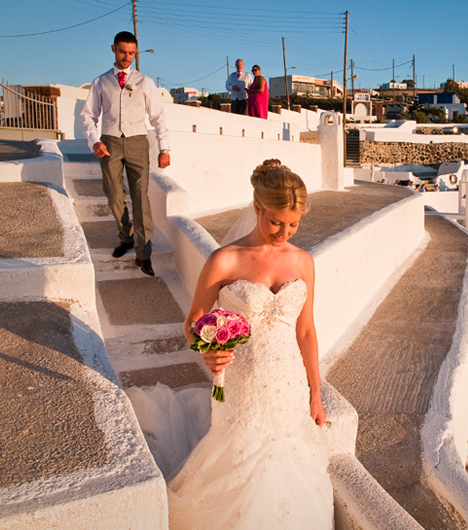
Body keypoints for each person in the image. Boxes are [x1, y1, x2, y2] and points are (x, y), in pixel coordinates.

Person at [126, 160, 333, 529]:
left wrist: (315, 394)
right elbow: (193, 322)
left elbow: (306, 331)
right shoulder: (225, 260)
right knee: (240, 457)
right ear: (257, 208)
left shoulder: (303, 262)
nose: (283, 232)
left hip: (288, 383)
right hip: (240, 383)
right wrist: (208, 350)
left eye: (293, 224)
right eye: (275, 222)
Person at [80, 31, 170, 277]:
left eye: (131, 53)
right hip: (109, 142)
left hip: (137, 142)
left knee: (140, 196)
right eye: (122, 52)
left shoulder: (145, 82)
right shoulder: (100, 82)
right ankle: (126, 236)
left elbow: (158, 116)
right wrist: (94, 141)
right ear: (113, 49)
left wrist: (164, 148)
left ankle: (144, 252)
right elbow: (88, 115)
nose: (126, 57)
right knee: (113, 194)